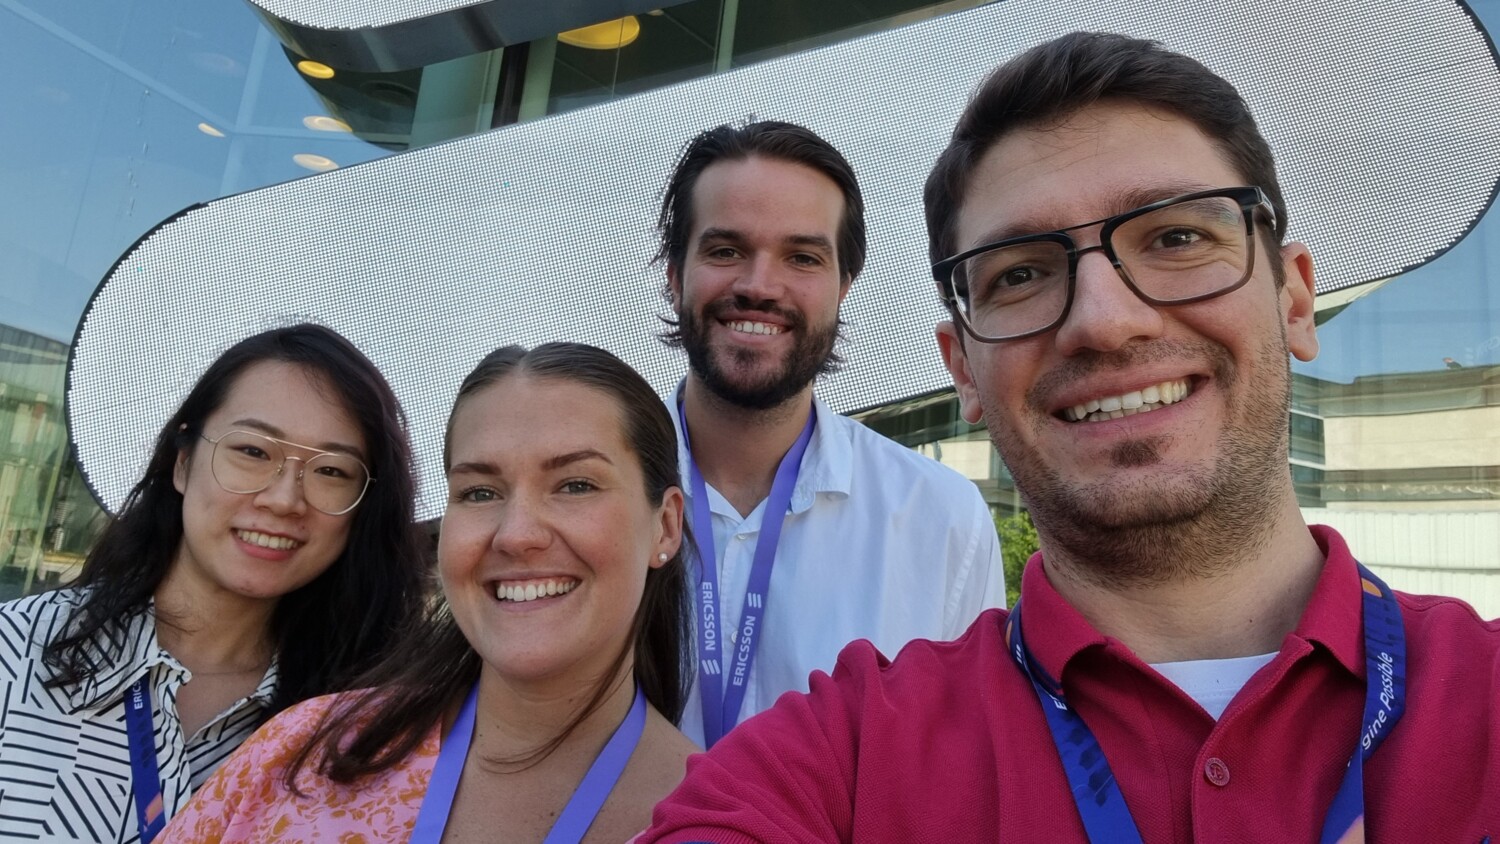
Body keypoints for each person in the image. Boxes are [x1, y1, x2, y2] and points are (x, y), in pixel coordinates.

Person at [640, 32, 1500, 842]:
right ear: (962, 370)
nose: (1105, 320)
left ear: (1297, 299)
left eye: (1175, 235)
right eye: (1021, 273)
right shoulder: (847, 753)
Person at [160, 342, 699, 843]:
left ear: (665, 526)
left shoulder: (722, 818)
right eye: (479, 491)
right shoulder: (301, 752)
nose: (516, 534)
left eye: (575, 485)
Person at [0, 324, 428, 843]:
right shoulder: (16, 651)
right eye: (252, 451)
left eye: (331, 471)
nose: (284, 499)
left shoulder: (369, 730)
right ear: (183, 464)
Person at [656, 120, 1006, 748]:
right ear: (676, 273)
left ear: (844, 288)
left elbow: (962, 758)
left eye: (802, 257)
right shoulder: (582, 500)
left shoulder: (940, 520)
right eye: (726, 250)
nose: (759, 286)